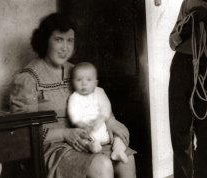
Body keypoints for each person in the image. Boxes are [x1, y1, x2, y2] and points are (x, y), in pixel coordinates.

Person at [10, 12, 136, 178]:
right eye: (58, 39)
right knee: (102, 164)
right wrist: (64, 134)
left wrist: (110, 121)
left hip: (86, 140)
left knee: (127, 158)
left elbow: (97, 100)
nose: (65, 47)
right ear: (45, 41)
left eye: (70, 40)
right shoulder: (28, 79)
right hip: (50, 147)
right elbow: (23, 133)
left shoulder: (77, 71)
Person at [168, 0, 207, 178]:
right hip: (182, 64)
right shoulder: (188, 2)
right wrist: (183, 31)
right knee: (179, 130)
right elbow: (172, 41)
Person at [67, 62, 130, 163]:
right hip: (88, 132)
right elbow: (73, 114)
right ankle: (93, 147)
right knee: (83, 141)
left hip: (104, 130)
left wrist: (101, 118)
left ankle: (118, 151)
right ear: (73, 82)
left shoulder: (99, 92)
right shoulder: (74, 97)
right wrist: (81, 124)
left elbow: (106, 106)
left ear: (95, 82)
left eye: (88, 79)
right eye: (79, 80)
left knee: (119, 136)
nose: (84, 83)